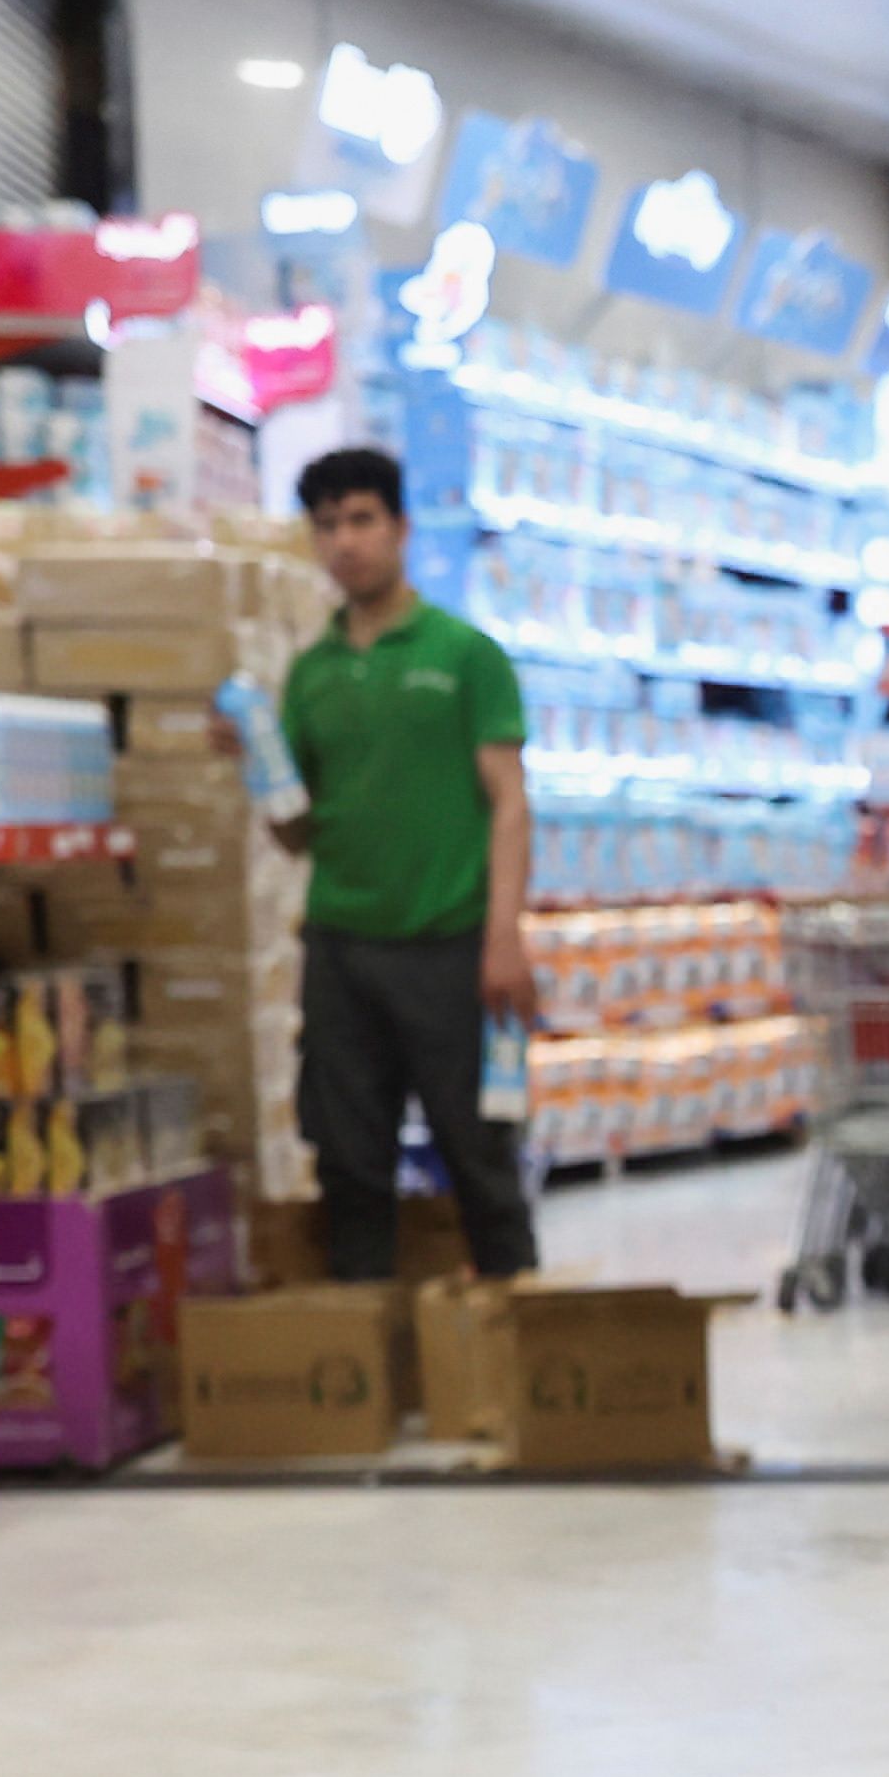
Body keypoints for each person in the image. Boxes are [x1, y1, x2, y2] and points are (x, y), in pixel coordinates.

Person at [276, 445, 537, 1280]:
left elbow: (510, 801)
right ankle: (370, 1379)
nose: (345, 542)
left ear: (400, 529)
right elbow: (296, 834)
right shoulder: (309, 676)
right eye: (327, 526)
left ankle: (516, 1354)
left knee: (481, 1163)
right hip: (341, 949)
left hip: (451, 947)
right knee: (350, 1169)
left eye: (361, 520)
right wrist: (255, 770)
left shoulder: (466, 655)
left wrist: (504, 936)